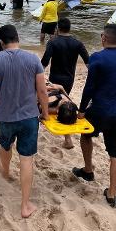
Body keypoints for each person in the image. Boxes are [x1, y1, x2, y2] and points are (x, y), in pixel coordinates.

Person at [0, 24, 49, 219]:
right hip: (29, 117)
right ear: (18, 38)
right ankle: (25, 205)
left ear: (1, 42)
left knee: (6, 145)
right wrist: (45, 113)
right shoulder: (33, 58)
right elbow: (42, 90)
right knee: (26, 159)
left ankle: (6, 172)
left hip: (5, 117)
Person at [72, 23, 116, 208]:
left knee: (86, 134)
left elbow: (89, 87)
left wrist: (81, 110)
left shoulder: (97, 58)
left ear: (103, 38)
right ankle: (112, 194)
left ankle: (88, 170)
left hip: (99, 110)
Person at [41, 17, 89, 148]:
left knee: (56, 103)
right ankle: (67, 139)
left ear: (57, 28)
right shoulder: (77, 43)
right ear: (70, 28)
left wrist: (39, 77)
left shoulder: (53, 42)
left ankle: (68, 139)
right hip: (69, 79)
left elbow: (44, 61)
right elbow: (88, 62)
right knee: (64, 103)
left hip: (55, 78)